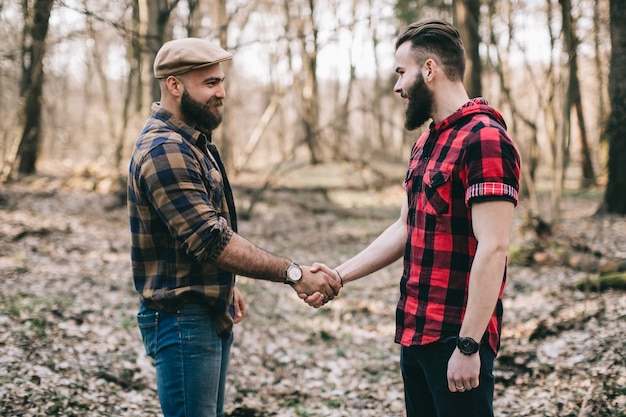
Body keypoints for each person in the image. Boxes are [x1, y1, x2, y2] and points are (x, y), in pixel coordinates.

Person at [304, 19, 521, 417]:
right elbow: (406, 227)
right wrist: (339, 274)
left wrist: (469, 345)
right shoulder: (427, 141)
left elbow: (494, 248)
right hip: (416, 334)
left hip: (456, 340)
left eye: (401, 73)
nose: (397, 86)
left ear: (430, 70)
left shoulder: (485, 138)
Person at [127, 37, 341, 417]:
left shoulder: (194, 141)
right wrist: (294, 274)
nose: (221, 92)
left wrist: (226, 283)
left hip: (206, 311)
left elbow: (199, 231)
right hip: (181, 321)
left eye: (221, 81)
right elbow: (213, 240)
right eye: (209, 83)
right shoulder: (165, 150)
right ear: (174, 85)